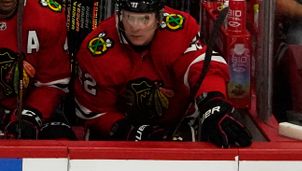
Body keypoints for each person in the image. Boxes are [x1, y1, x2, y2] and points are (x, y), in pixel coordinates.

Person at [72, 0, 252, 148]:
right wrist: (128, 131)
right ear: (119, 15)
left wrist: (213, 105)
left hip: (178, 123)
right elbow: (93, 113)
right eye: (129, 18)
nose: (136, 27)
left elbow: (201, 68)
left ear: (159, 18)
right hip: (122, 133)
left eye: (145, 19)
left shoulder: (178, 30)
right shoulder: (97, 50)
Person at [0, 0, 72, 139]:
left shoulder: (47, 17)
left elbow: (53, 82)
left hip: (28, 104)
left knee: (58, 135)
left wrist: (29, 116)